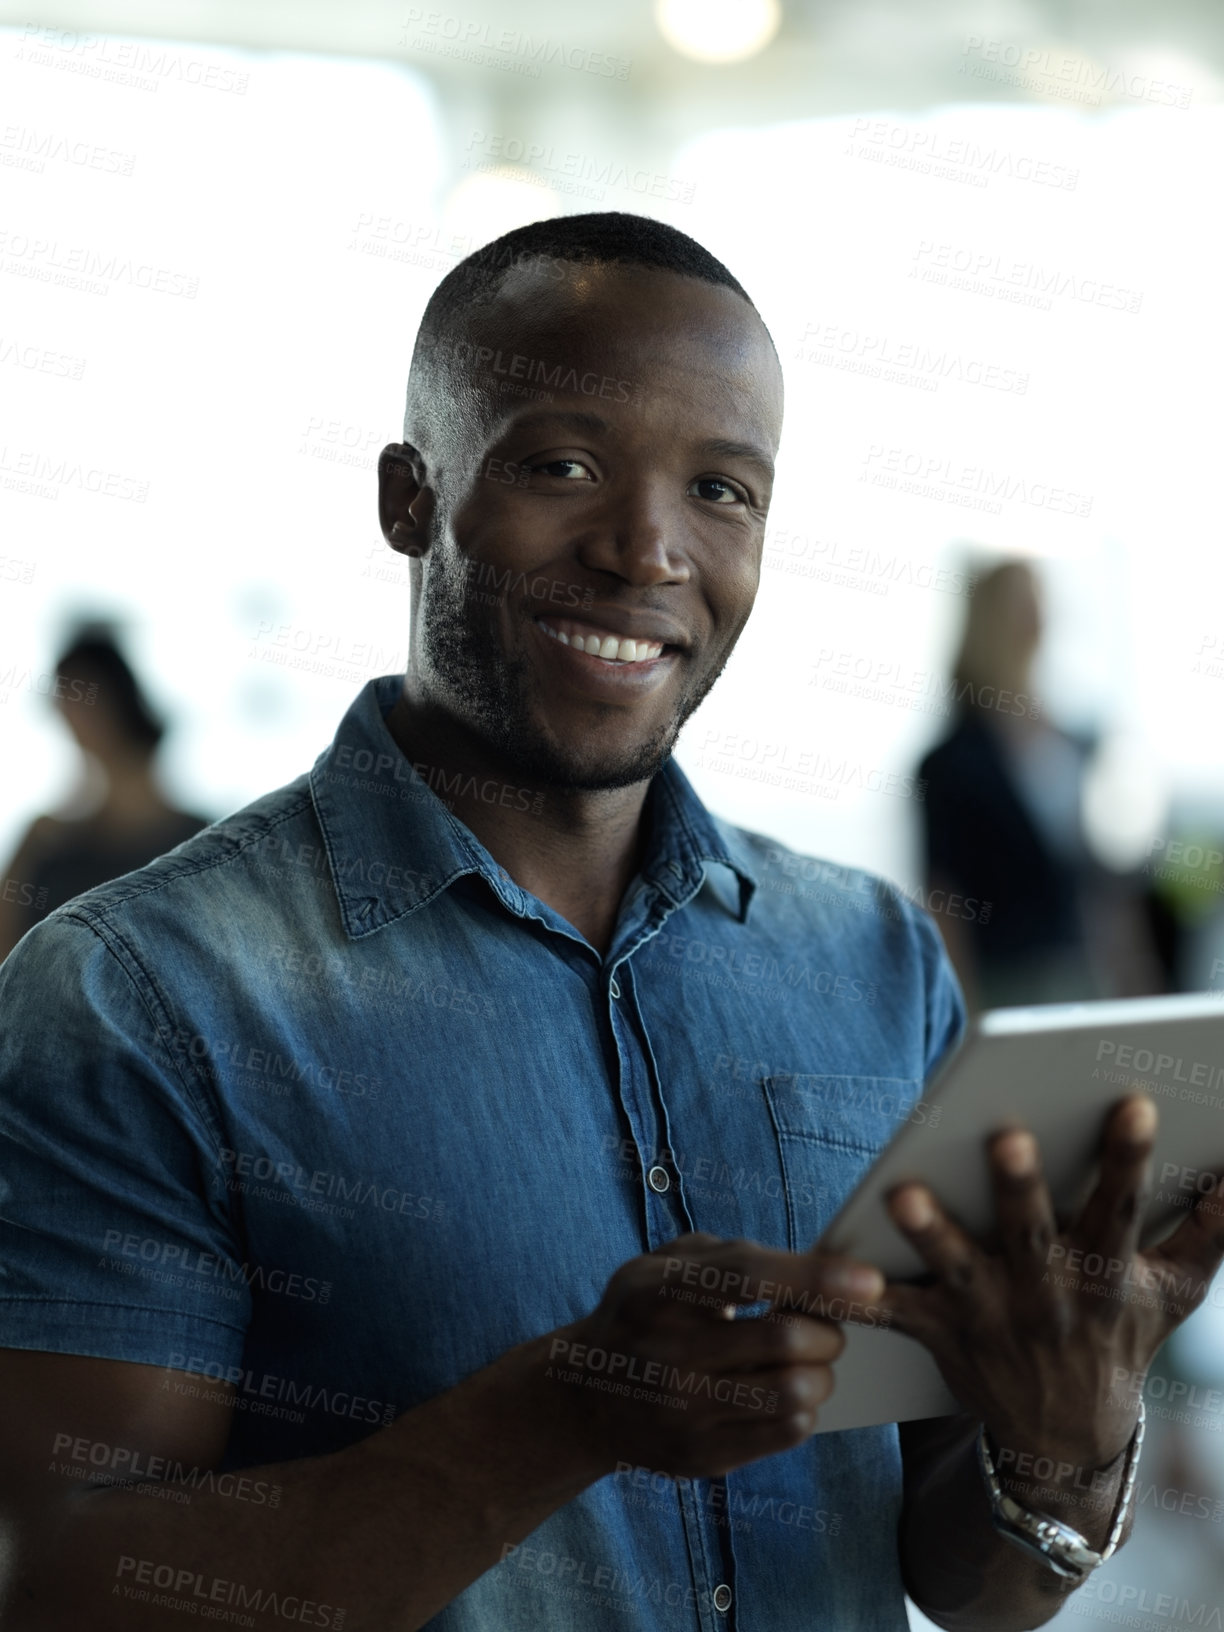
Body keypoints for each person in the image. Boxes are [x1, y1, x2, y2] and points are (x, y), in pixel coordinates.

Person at [0, 213, 1218, 1632]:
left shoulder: (874, 967)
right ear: (411, 496)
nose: (649, 549)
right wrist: (556, 1418)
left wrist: (1065, 1434)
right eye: (563, 465)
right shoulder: (139, 997)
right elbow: (62, 1585)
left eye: (722, 490)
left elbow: (967, 1580)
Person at [918, 560, 1165, 1012]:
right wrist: (962, 1011)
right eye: (1020, 602)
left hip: (1086, 972)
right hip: (1008, 984)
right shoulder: (951, 762)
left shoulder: (1074, 741)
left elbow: (1103, 879)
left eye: (1037, 600)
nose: (1034, 615)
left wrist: (1135, 974)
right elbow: (944, 896)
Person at [0, 623, 209, 963]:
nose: (70, 720)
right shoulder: (52, 845)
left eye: (77, 701)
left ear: (114, 699)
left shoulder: (198, 841)